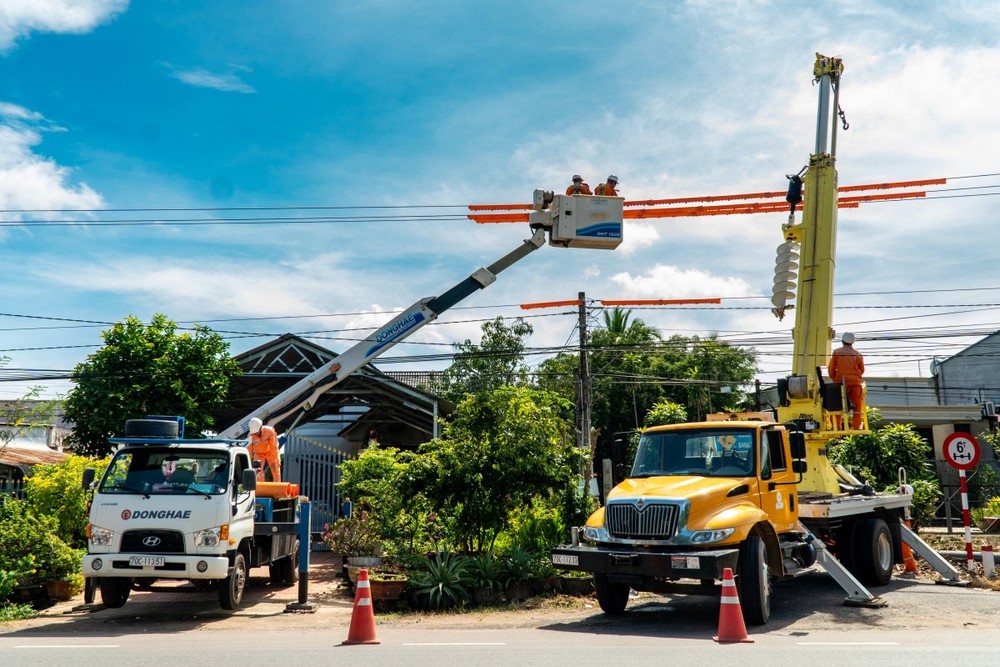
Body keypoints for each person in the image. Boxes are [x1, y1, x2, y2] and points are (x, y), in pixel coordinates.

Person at [829, 331, 865, 429]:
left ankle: (836, 427)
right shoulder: (858, 354)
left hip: (840, 383)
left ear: (842, 341)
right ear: (853, 342)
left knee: (837, 405)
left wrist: (834, 379)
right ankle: (856, 427)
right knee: (857, 406)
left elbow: (831, 369)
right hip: (855, 383)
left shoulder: (837, 352)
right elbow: (861, 370)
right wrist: (855, 378)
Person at [248, 417, 282, 482]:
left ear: (261, 427)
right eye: (254, 433)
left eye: (257, 432)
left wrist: (275, 459)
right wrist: (248, 460)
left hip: (271, 452)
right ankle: (260, 489)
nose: (255, 434)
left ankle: (277, 489)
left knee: (275, 470)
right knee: (258, 472)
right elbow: (249, 450)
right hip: (259, 454)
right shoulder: (250, 435)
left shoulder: (269, 431)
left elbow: (274, 446)